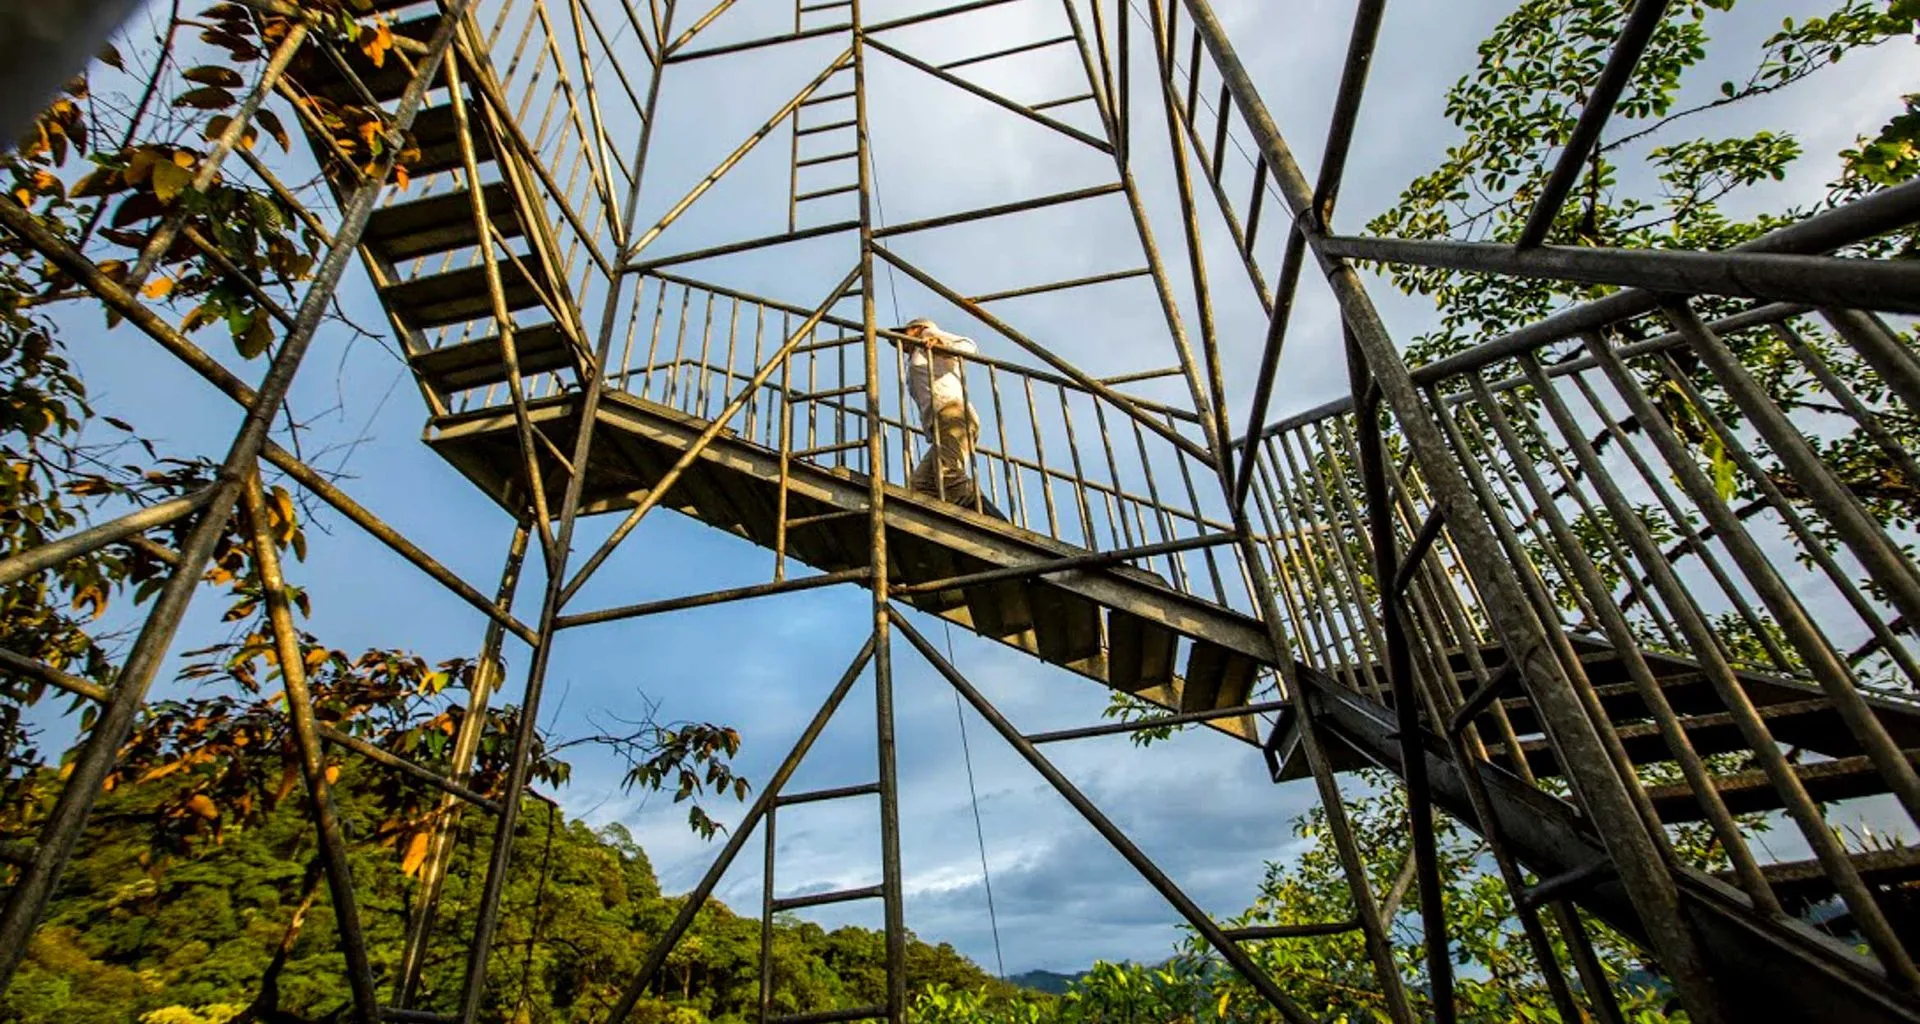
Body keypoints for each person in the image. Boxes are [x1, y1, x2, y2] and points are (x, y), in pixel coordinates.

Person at [898, 318, 1005, 520]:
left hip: (952, 413)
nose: (901, 340)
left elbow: (969, 346)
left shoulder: (927, 335)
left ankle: (997, 522)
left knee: (947, 473)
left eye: (906, 332)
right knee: (922, 485)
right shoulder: (917, 354)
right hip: (941, 420)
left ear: (919, 328)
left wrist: (940, 345)